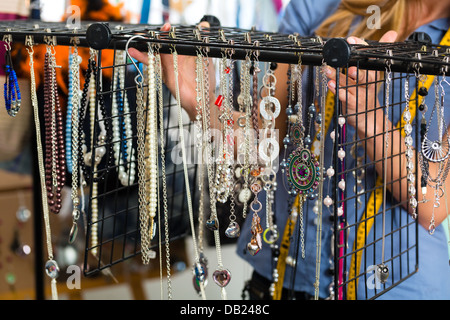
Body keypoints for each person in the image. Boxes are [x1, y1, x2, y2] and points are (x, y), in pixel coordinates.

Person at [130, 0, 450, 300]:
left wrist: (366, 112)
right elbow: (260, 146)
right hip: (281, 282)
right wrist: (194, 98)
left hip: (397, 289)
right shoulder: (321, 7)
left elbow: (432, 206)